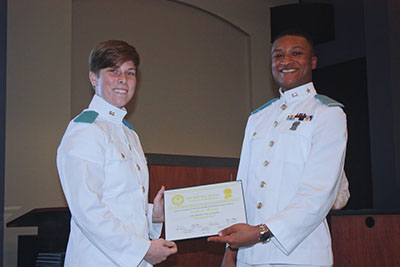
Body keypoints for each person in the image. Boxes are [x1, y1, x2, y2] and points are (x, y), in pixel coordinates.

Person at [208, 29, 348, 267]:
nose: (286, 61)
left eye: (296, 53)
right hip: (250, 255)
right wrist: (231, 250)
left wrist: (261, 232)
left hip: (299, 255)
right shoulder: (258, 118)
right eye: (278, 55)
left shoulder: (328, 114)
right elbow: (243, 188)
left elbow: (318, 195)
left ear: (312, 61)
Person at [57, 40, 177, 267]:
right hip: (98, 260)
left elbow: (120, 202)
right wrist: (142, 250)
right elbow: (88, 209)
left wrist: (154, 214)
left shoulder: (128, 133)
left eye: (130, 73)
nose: (123, 79)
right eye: (114, 71)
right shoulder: (86, 129)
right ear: (94, 78)